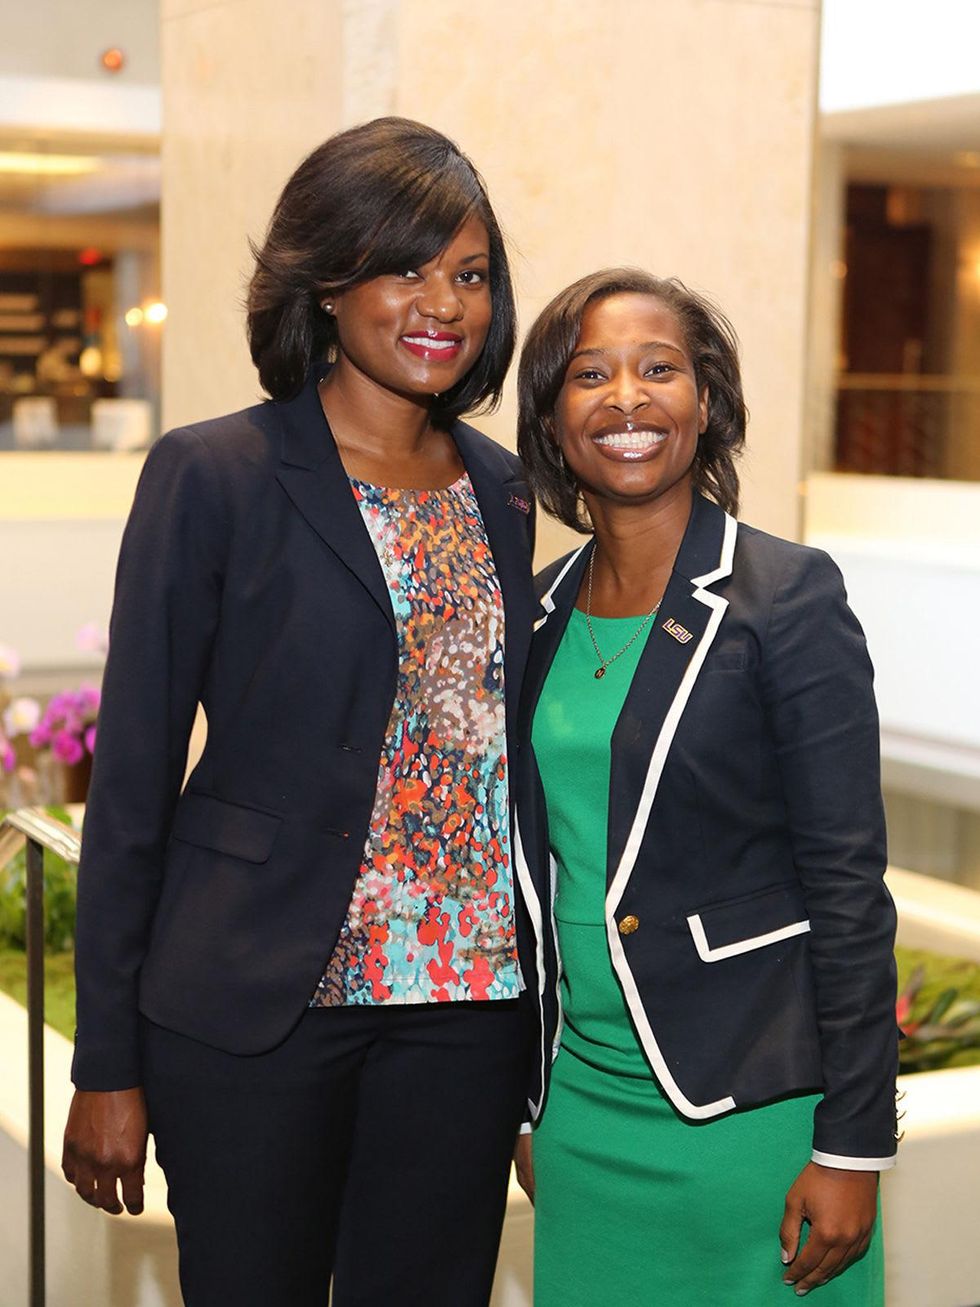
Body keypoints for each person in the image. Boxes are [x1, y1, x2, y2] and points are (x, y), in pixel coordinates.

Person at [61, 117, 545, 1307]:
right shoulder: (212, 473)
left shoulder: (505, 488)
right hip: (255, 1009)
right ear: (328, 282)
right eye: (405, 265)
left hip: (466, 1008)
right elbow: (128, 783)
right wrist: (106, 1062)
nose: (443, 301)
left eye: (470, 274)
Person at [511, 268, 899, 1304]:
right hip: (582, 1115)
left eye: (658, 369)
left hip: (753, 1115)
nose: (626, 398)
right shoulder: (537, 613)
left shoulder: (786, 595)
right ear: (552, 419)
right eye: (589, 374)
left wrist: (853, 1143)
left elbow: (847, 883)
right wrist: (526, 1106)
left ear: (706, 403)